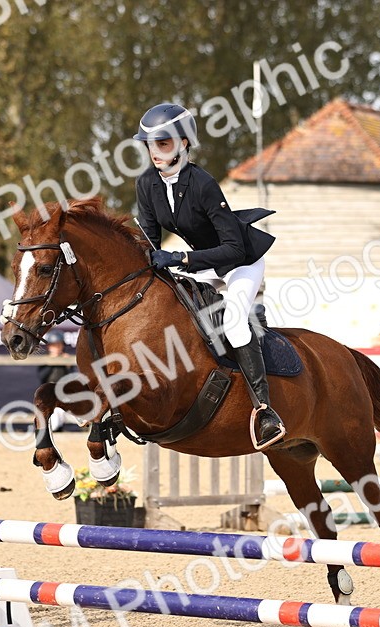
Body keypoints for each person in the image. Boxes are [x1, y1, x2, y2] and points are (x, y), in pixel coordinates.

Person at [134, 102, 283, 450]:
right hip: (200, 267)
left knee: (232, 324)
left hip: (240, 264)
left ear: (184, 144)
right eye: (150, 145)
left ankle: (265, 410)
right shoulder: (146, 184)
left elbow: (232, 249)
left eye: (164, 143)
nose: (155, 152)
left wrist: (182, 257)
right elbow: (149, 244)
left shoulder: (203, 184)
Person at [37, 331, 77, 431]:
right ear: (49, 347)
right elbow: (42, 377)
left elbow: (72, 378)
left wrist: (68, 365)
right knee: (54, 412)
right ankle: (51, 428)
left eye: (58, 345)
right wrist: (51, 362)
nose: (56, 348)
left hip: (65, 393)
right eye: (54, 345)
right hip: (50, 393)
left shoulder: (65, 358)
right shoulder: (45, 359)